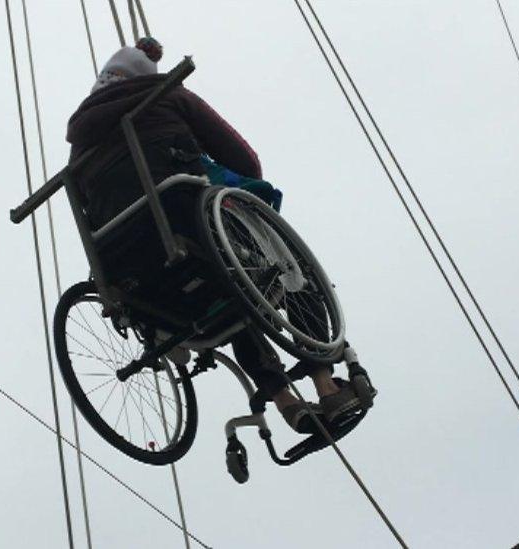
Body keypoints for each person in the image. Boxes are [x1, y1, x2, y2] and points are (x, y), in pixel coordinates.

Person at [65, 38, 363, 433]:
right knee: (279, 261)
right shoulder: (168, 96)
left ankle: (284, 399)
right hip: (187, 222)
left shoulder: (78, 148)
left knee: (229, 300)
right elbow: (245, 161)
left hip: (128, 261)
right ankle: (326, 384)